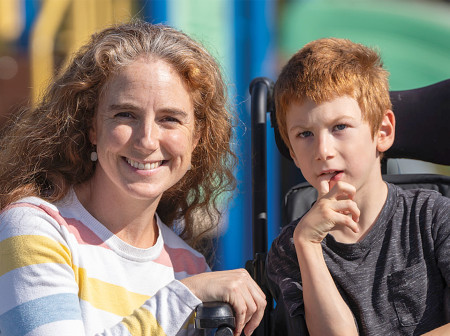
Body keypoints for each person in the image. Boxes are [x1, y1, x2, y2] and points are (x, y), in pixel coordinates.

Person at [0, 21, 266, 336]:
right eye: (126, 114)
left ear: (196, 139)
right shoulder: (36, 228)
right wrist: (181, 296)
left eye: (170, 119)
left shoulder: (189, 266)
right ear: (92, 128)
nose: (147, 141)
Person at [266, 37, 450, 335]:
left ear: (383, 131)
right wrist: (308, 246)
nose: (323, 150)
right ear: (292, 153)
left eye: (339, 127)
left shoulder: (433, 218)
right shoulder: (291, 249)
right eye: (304, 134)